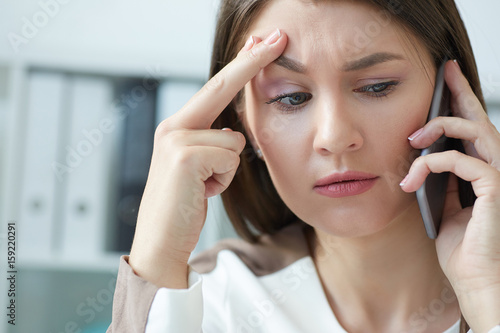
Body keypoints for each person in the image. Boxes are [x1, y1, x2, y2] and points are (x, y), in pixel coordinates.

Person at [107, 0, 500, 332]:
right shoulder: (203, 301)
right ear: (245, 124)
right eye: (291, 98)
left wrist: (489, 298)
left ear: (448, 94)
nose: (333, 137)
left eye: (377, 86)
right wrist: (156, 264)